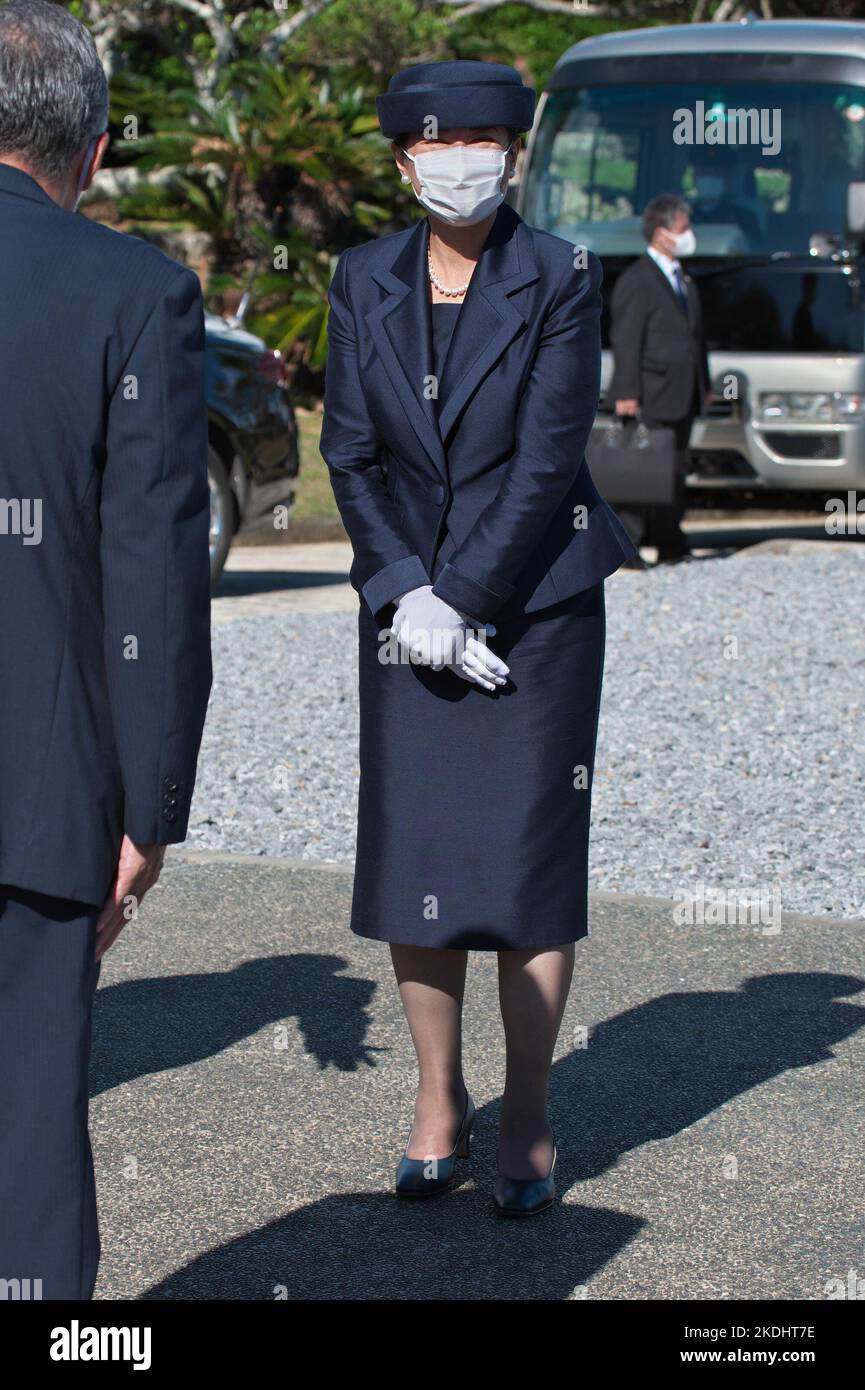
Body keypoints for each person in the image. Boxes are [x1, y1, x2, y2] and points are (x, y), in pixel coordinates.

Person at [320, 59, 634, 1217]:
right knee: (420, 859)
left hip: (537, 606)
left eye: (488, 141)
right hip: (405, 613)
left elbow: (552, 456)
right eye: (440, 145)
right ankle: (438, 1098)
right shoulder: (361, 277)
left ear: (514, 152)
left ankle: (532, 1110)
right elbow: (348, 450)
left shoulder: (558, 273)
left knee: (526, 863)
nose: (465, 162)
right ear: (402, 162)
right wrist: (408, 592)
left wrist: (464, 598)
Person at [0, 0, 211, 1298]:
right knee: (26, 1119)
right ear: (94, 148)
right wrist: (149, 801)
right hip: (41, 783)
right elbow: (152, 574)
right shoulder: (136, 292)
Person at [609, 195, 711, 563]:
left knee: (674, 469)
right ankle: (627, 545)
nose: (688, 236)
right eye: (682, 229)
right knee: (640, 469)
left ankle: (670, 541)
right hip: (650, 391)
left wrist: (705, 384)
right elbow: (626, 339)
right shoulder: (638, 280)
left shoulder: (683, 277)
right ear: (661, 233)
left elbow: (694, 337)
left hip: (682, 392)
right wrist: (627, 390)